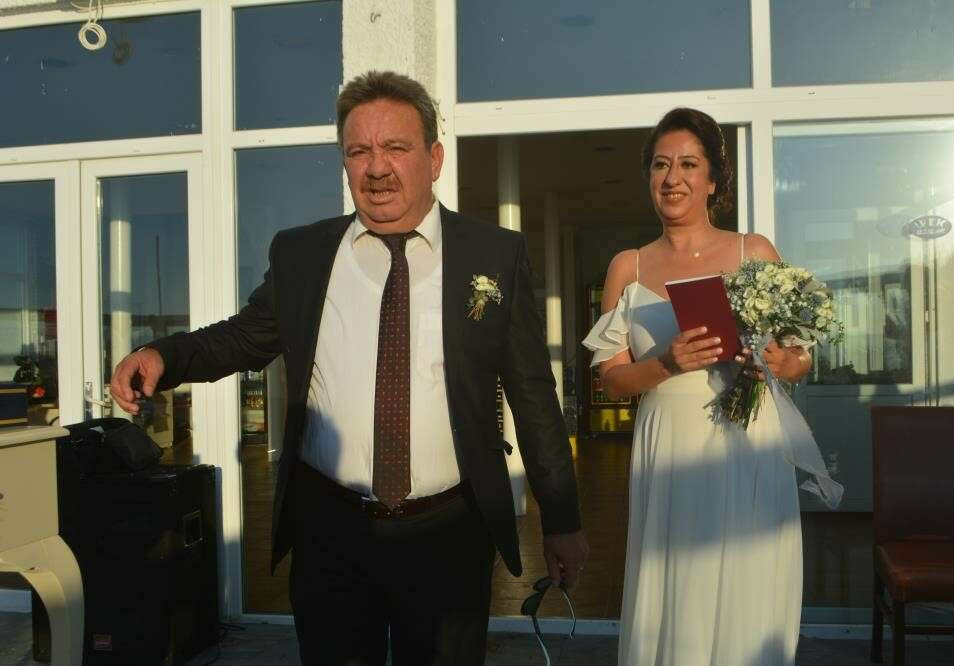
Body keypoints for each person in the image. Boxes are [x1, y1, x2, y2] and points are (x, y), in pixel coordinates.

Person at [110, 70, 588, 666]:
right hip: (330, 535)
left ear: (435, 159)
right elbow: (244, 338)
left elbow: (534, 396)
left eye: (396, 147)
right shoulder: (303, 254)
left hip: (448, 534)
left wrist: (561, 519)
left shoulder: (493, 254)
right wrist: (165, 355)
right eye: (359, 151)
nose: (377, 168)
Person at [583, 108, 817, 665]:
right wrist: (666, 364)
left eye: (689, 165)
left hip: (747, 444)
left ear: (713, 180)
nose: (673, 178)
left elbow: (801, 356)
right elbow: (611, 379)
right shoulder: (627, 267)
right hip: (669, 449)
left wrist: (779, 361)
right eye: (661, 165)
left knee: (745, 585)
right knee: (676, 586)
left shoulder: (753, 252)